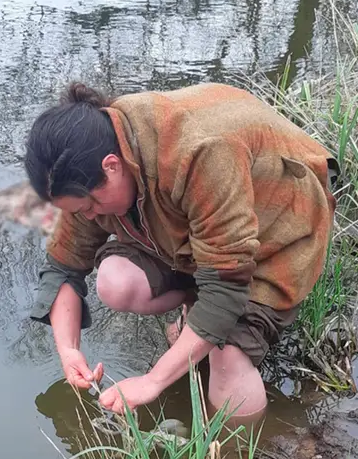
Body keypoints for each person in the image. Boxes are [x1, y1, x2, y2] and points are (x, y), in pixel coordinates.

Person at [25, 81, 338, 420]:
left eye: (89, 206)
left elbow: (225, 290)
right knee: (116, 282)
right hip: (204, 223)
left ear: (112, 166)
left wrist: (153, 381)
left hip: (279, 218)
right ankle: (194, 313)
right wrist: (68, 350)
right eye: (76, 210)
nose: (87, 216)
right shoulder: (89, 157)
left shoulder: (199, 153)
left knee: (227, 355)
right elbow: (63, 267)